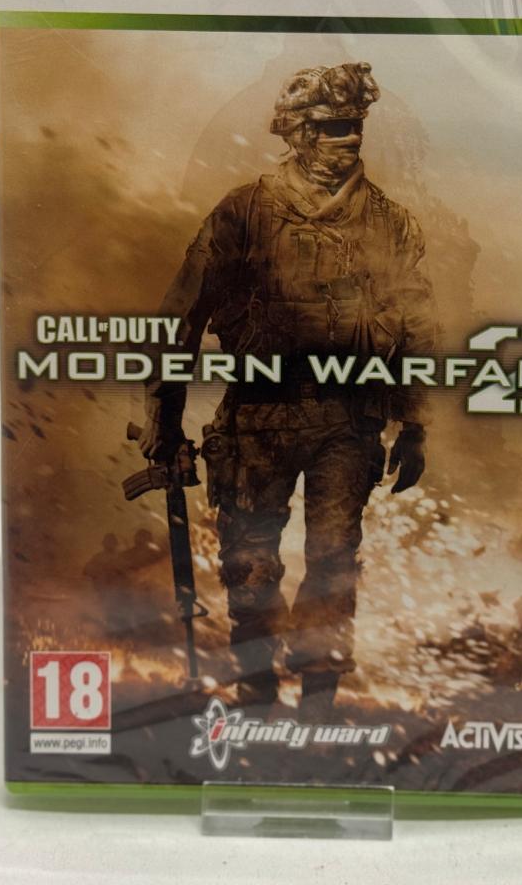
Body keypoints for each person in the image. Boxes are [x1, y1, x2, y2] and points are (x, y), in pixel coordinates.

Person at [139, 62, 436, 715]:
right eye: (332, 126)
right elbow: (181, 316)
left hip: (347, 421)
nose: (348, 139)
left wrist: (414, 425)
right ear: (299, 132)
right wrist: (164, 415)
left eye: (354, 125)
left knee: (334, 562)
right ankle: (256, 697)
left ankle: (319, 703)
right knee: (250, 567)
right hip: (257, 417)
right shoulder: (243, 213)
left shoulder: (390, 223)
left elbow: (416, 327)